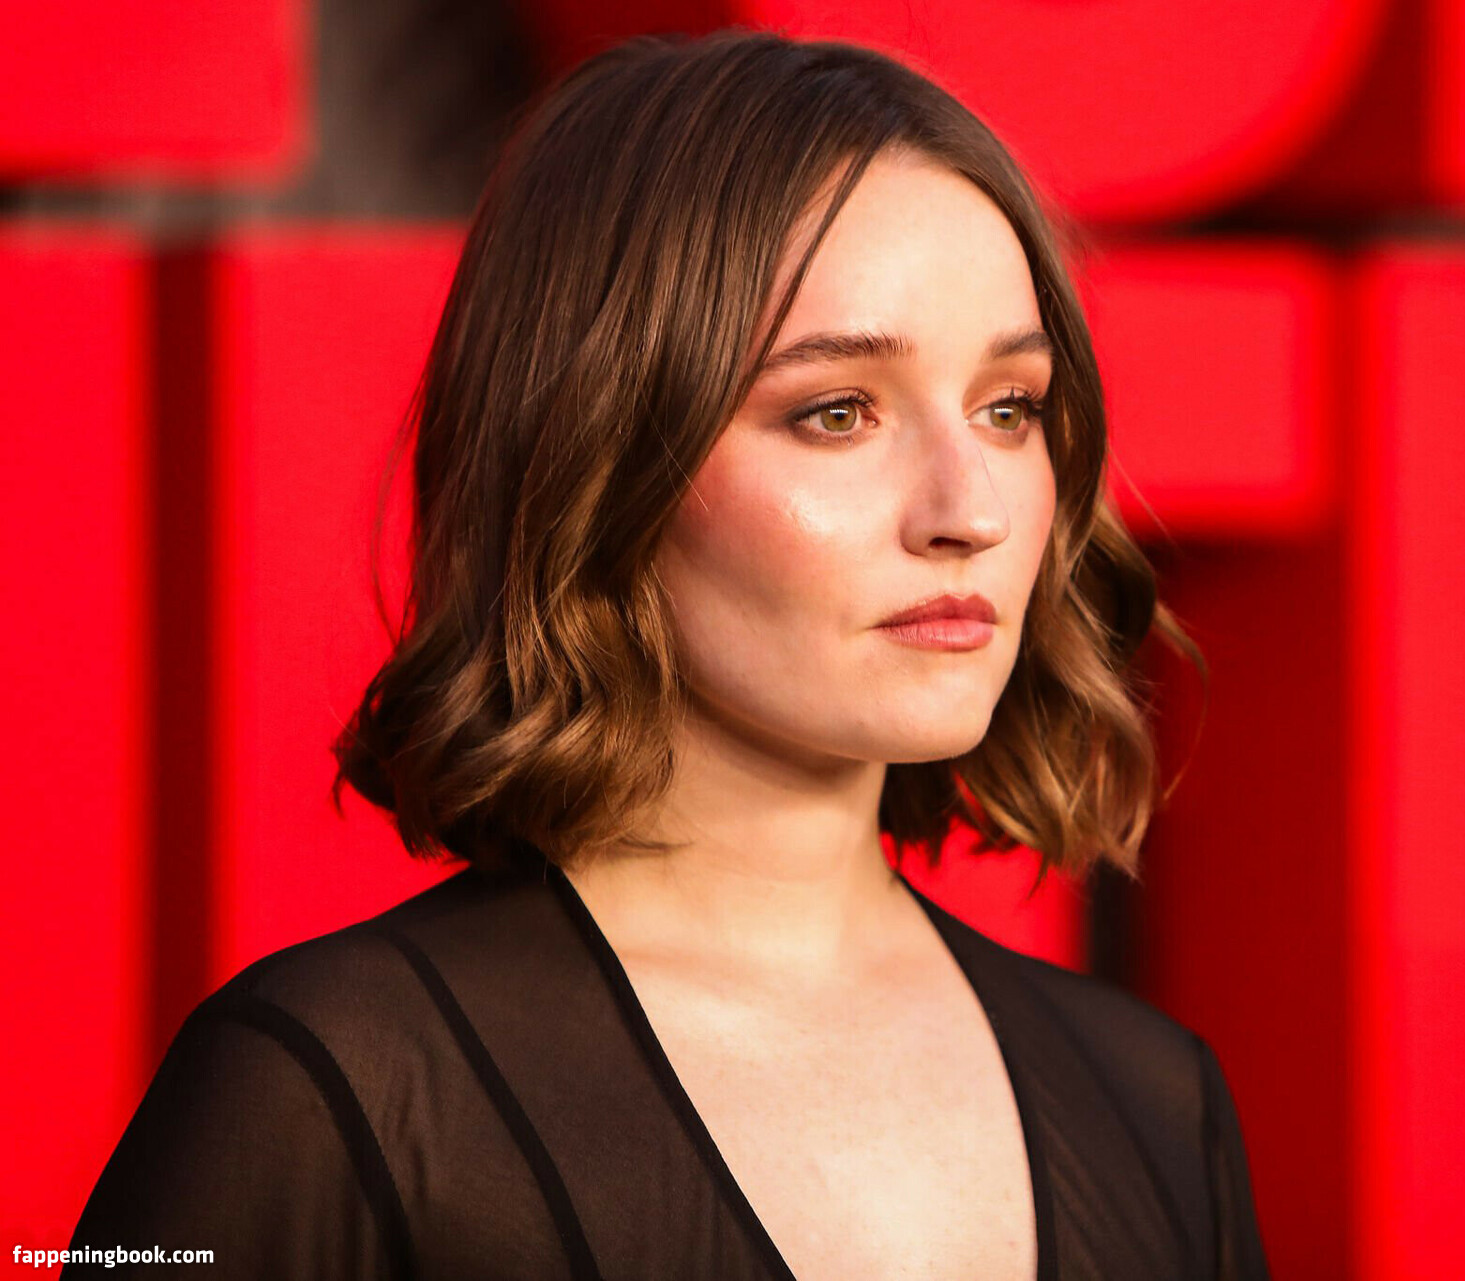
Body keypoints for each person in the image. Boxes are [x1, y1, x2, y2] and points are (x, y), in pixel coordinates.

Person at [64, 28, 1269, 1281]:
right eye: (837, 413)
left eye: (1009, 409)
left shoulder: (1156, 1104)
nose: (970, 511)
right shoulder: (327, 1090)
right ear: (596, 453)